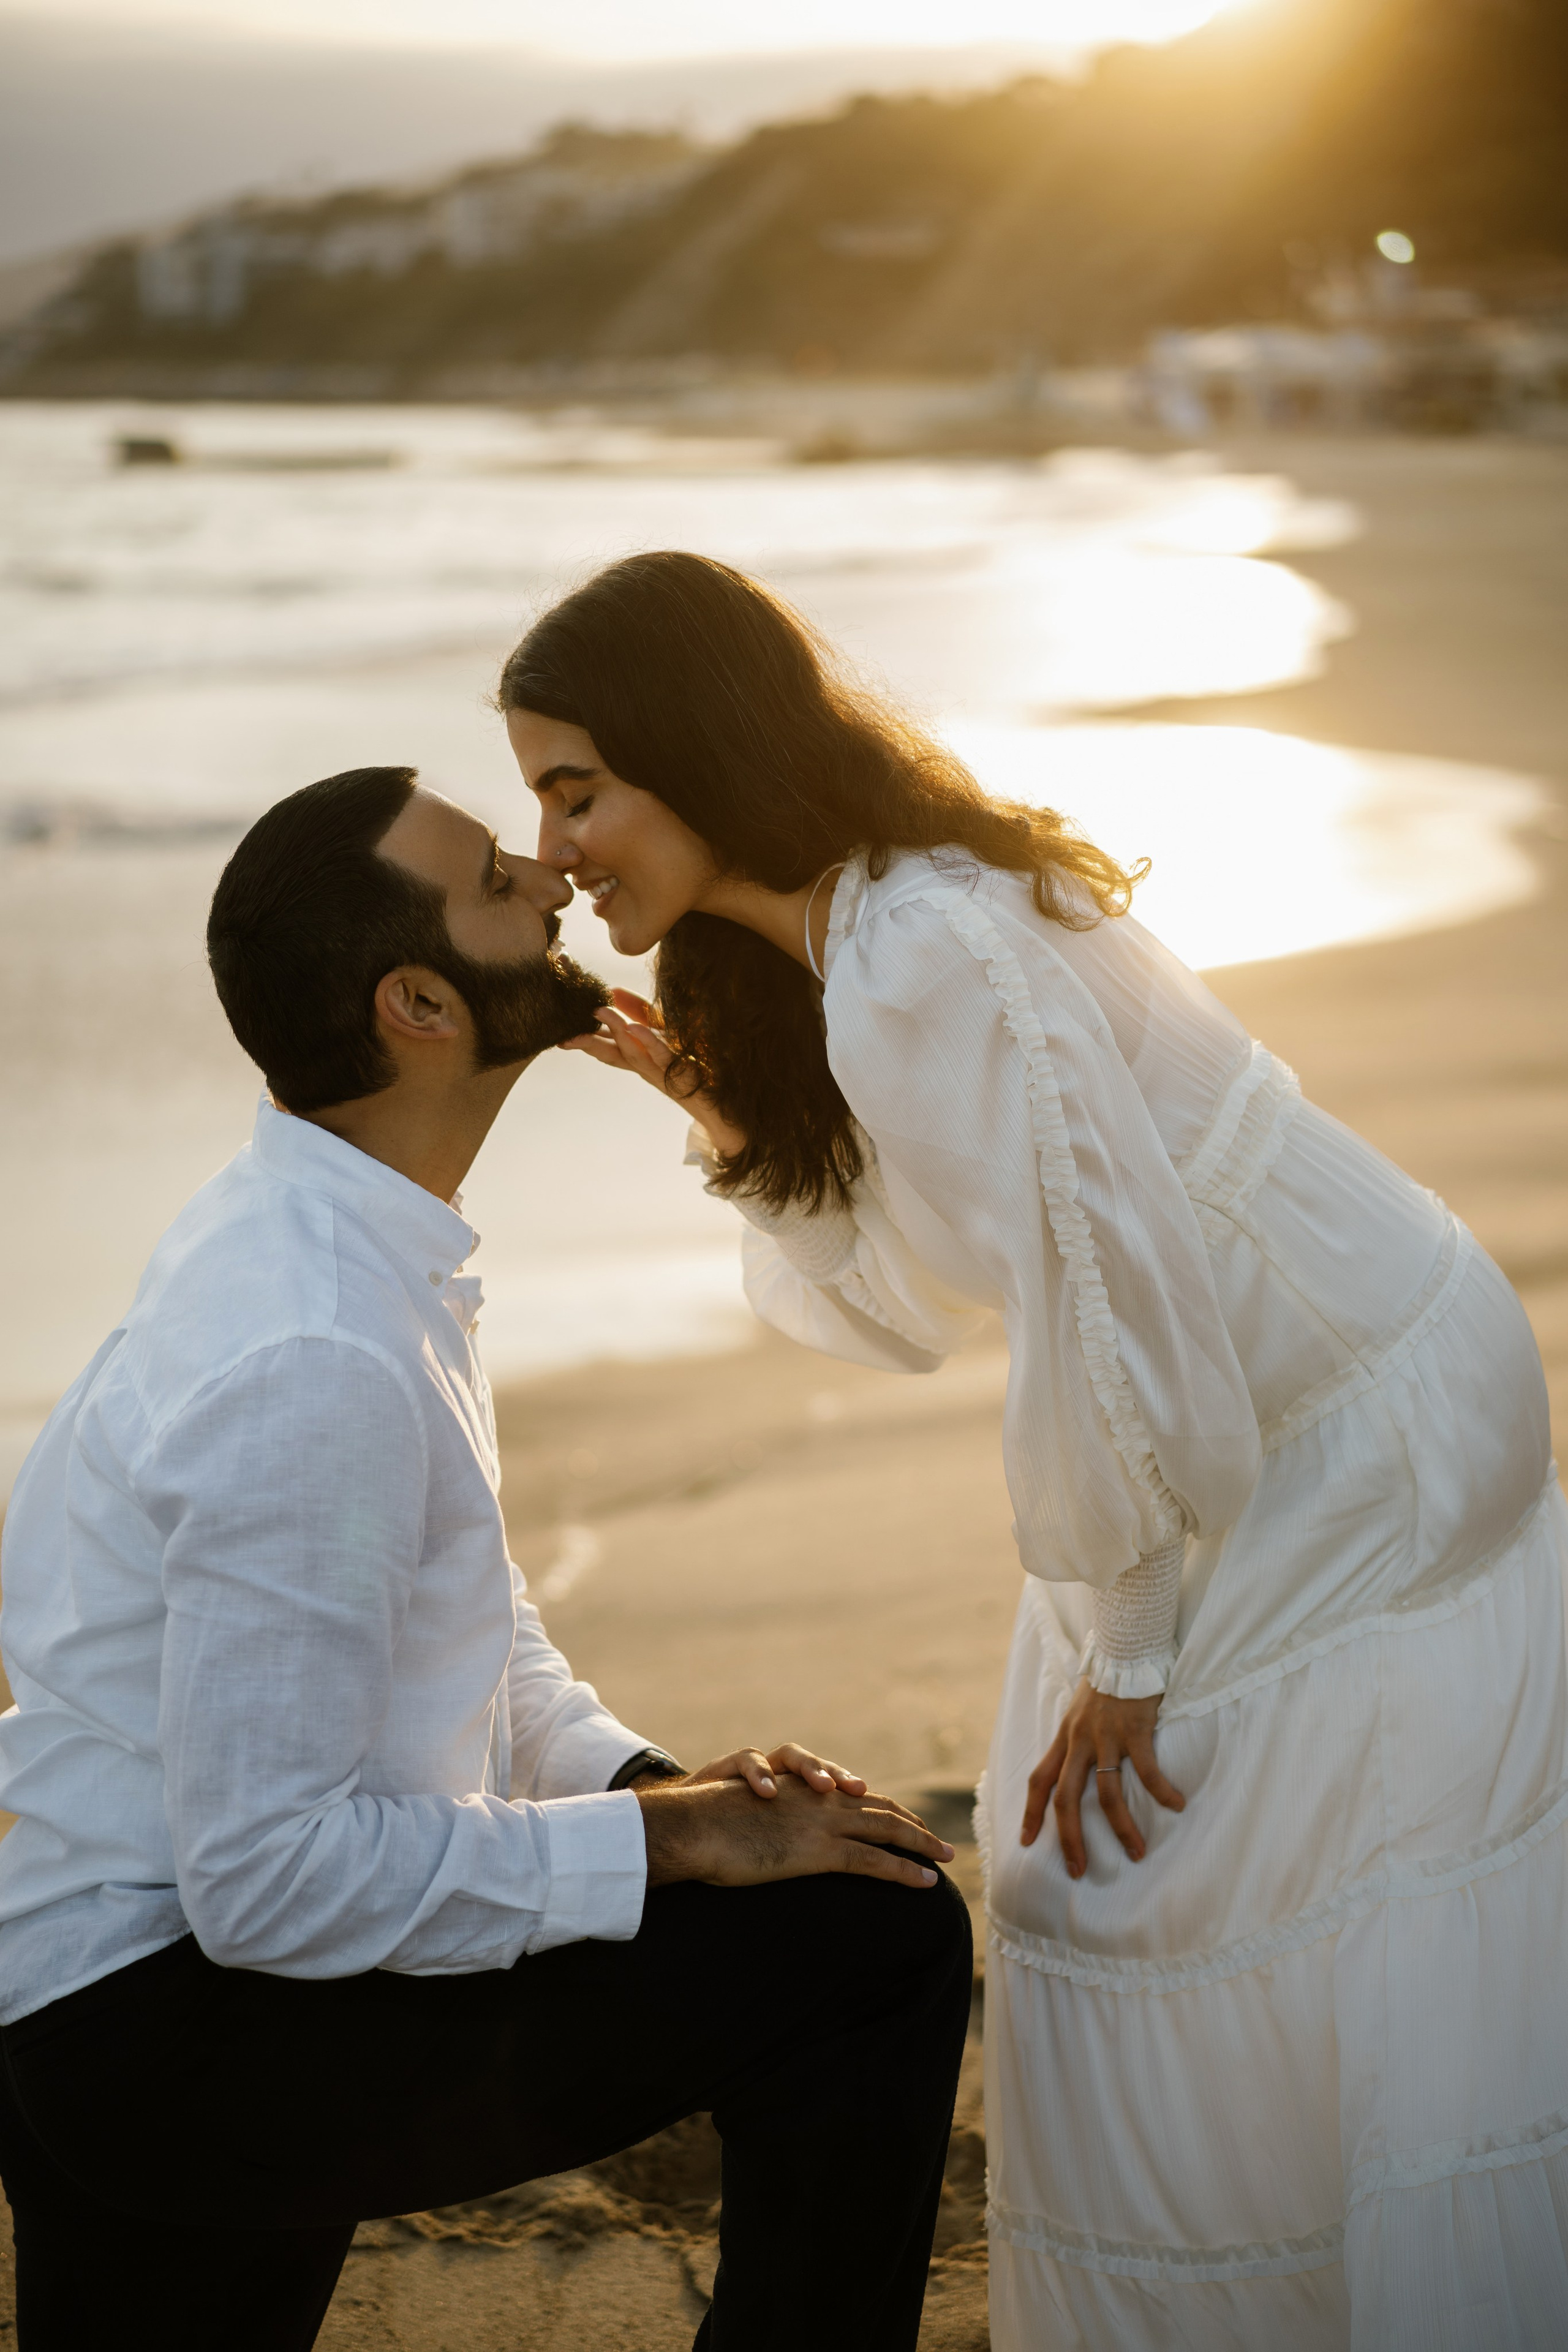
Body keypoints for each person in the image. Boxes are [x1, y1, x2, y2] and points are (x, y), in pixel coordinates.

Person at [500, 551, 1568, 2351]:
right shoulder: (839, 946)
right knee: (1117, 1878)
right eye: (542, 804)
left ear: (692, 745)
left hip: (1362, 1411)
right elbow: (915, 1303)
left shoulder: (923, 944)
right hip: (1231, 1420)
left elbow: (1099, 1281)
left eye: (576, 789)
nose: (557, 850)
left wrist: (1134, 1645)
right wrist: (713, 1105)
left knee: (1174, 1873)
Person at [0, 766, 973, 2352]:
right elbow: (270, 1884)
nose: (550, 874)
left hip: (131, 2002)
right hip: (175, 2035)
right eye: (495, 879)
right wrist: (673, 1844)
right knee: (878, 1942)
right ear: (419, 1004)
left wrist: (650, 1785)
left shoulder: (338, 1228)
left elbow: (461, 1616)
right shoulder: (318, 1348)